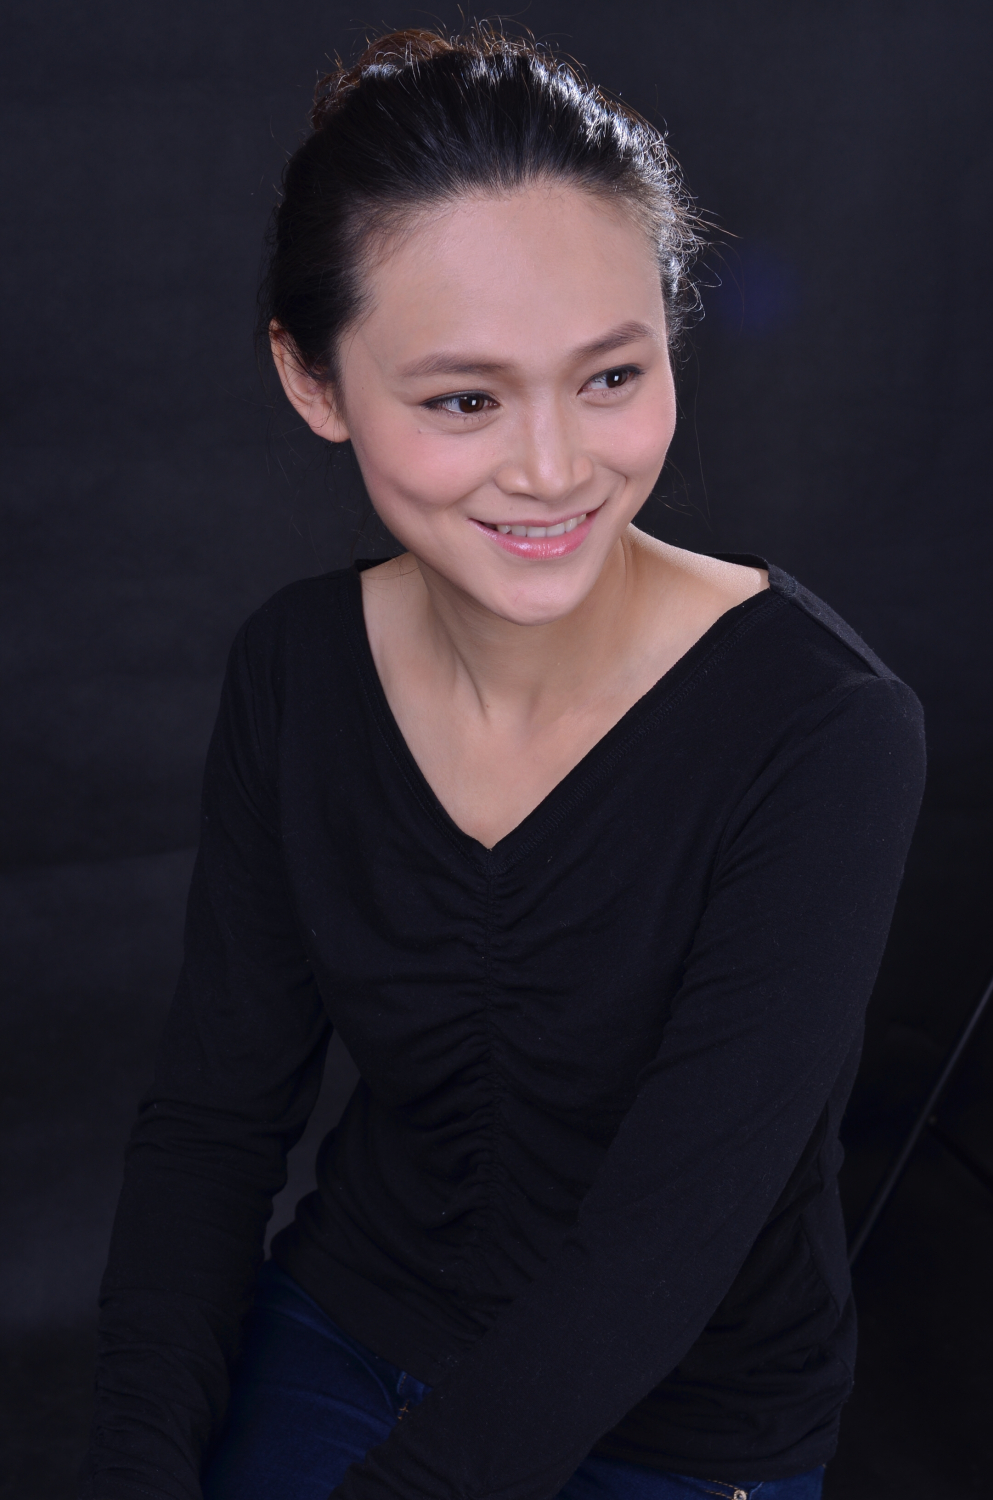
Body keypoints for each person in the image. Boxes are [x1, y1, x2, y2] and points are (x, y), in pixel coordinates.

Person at [79, 26, 926, 1500]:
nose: (552, 468)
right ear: (313, 380)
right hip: (345, 1327)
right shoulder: (295, 669)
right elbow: (213, 1126)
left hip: (676, 1422)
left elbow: (662, 1245)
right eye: (464, 399)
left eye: (610, 376)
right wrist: (136, 1464)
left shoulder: (824, 728)